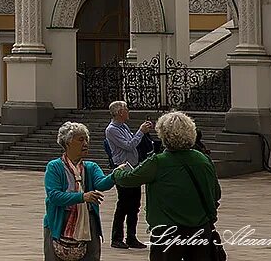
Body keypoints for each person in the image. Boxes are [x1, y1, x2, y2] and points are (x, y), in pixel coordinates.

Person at [113, 110, 223, 261]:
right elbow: (216, 193)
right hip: (200, 228)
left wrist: (118, 172)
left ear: (163, 135)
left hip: (167, 231)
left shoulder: (158, 162)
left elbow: (128, 179)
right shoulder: (203, 159)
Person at [44, 121, 124, 261]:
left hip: (88, 220)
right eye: (81, 139)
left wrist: (115, 175)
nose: (86, 143)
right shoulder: (54, 167)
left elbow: (101, 184)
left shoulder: (90, 167)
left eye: (87, 139)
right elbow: (54, 196)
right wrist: (82, 197)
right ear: (68, 143)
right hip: (60, 220)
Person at [105, 100, 155, 250]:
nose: (128, 111)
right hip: (122, 169)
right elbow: (128, 145)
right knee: (123, 204)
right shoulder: (112, 129)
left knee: (134, 204)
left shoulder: (123, 126)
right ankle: (116, 237)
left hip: (132, 168)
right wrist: (140, 131)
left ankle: (131, 237)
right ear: (120, 112)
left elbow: (132, 143)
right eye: (126, 109)